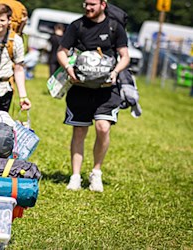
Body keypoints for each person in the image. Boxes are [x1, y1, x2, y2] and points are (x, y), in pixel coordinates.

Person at [56, 0, 129, 192]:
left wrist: (115, 72)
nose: (88, 8)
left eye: (92, 4)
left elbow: (125, 55)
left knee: (103, 127)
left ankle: (96, 173)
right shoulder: (77, 25)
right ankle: (75, 176)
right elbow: (62, 52)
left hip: (106, 89)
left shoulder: (115, 27)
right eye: (85, 4)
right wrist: (68, 68)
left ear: (103, 4)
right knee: (79, 131)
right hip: (80, 88)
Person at [0, 4, 31, 112]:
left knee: (0, 124)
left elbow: (19, 69)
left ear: (9, 20)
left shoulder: (16, 40)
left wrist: (23, 96)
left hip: (4, 88)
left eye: (2, 20)